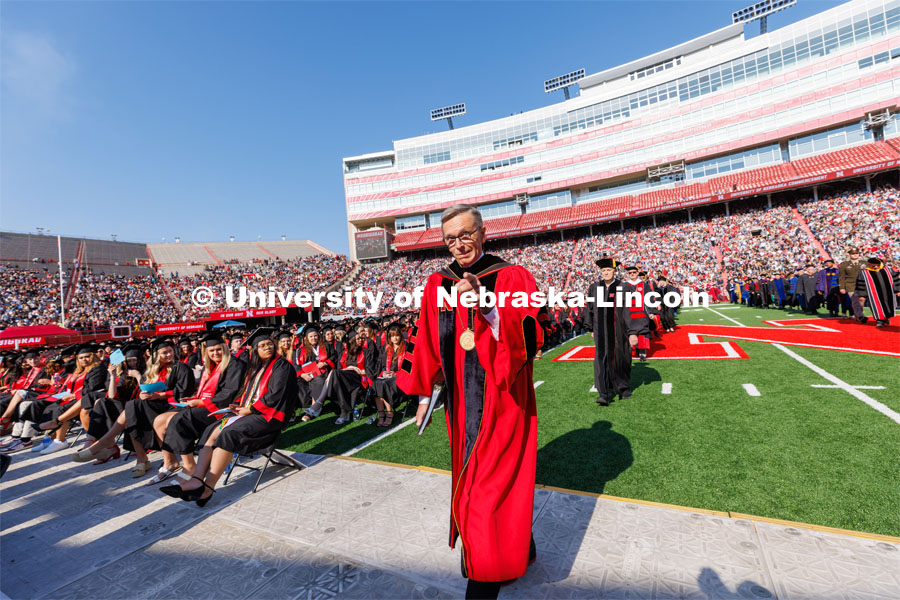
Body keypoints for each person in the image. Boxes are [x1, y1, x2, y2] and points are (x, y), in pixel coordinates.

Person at [397, 204, 542, 599]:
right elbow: (426, 338)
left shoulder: (511, 276)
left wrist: (488, 306)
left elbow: (531, 334)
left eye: (465, 235)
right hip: (461, 406)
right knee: (489, 485)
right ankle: (520, 548)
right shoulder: (436, 284)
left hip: (505, 399)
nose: (458, 244)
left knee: (485, 490)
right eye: (449, 239)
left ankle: (482, 583)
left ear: (482, 233)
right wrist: (424, 393)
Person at [159, 328, 298, 507]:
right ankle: (197, 478)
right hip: (249, 412)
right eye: (262, 345)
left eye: (269, 344)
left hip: (268, 417)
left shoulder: (282, 366)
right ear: (255, 350)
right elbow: (247, 393)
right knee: (210, 431)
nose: (267, 348)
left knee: (228, 434)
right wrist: (239, 405)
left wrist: (250, 409)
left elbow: (275, 395)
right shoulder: (255, 367)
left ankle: (207, 488)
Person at [72, 337, 195, 476]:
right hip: (154, 405)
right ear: (156, 355)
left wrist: (159, 396)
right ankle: (139, 458)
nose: (168, 355)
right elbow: (144, 389)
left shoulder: (181, 367)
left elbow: (185, 391)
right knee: (133, 408)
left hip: (172, 406)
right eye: (164, 352)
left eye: (170, 351)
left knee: (133, 407)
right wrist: (145, 394)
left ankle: (113, 446)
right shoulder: (152, 370)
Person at [157, 333, 245, 482]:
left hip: (224, 408)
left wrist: (200, 402)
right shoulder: (210, 366)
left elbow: (229, 394)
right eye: (211, 351)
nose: (215, 353)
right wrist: (194, 399)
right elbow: (206, 391)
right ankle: (171, 462)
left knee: (179, 420)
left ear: (224, 348)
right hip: (207, 404)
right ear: (206, 352)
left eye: (218, 349)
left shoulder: (235, 364)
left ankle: (189, 466)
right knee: (160, 420)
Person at [584, 257, 641, 406]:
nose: (606, 273)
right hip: (600, 329)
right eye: (603, 270)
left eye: (608, 270)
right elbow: (589, 308)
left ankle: (623, 387)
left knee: (621, 357)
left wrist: (633, 331)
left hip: (619, 330)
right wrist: (590, 327)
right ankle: (604, 392)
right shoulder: (594, 288)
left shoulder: (624, 287)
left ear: (614, 271)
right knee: (601, 359)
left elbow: (632, 309)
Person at [293, 324, 335, 418]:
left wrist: (325, 363)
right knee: (296, 384)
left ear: (319, 336)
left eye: (315, 336)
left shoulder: (327, 346)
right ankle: (293, 412)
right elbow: (296, 365)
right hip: (306, 375)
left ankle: (315, 409)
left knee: (318, 381)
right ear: (306, 338)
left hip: (324, 373)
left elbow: (334, 356)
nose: (313, 338)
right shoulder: (300, 350)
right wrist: (303, 375)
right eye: (311, 336)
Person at [373, 323, 407, 426]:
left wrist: (395, 373)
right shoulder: (387, 348)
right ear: (389, 337)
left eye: (397, 335)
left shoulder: (407, 347)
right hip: (388, 376)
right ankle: (381, 414)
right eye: (392, 336)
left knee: (384, 385)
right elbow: (383, 365)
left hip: (400, 377)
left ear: (401, 336)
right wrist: (384, 373)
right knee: (376, 383)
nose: (395, 338)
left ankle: (389, 415)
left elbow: (409, 367)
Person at [620, 265, 654, 361]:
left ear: (638, 273)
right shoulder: (624, 285)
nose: (632, 274)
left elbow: (650, 298)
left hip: (642, 311)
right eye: (630, 273)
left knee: (643, 331)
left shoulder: (644, 285)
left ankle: (642, 352)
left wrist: (651, 311)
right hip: (629, 312)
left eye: (634, 272)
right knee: (630, 330)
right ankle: (630, 349)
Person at [855, 257, 900, 327]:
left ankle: (885, 318)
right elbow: (861, 285)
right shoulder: (864, 273)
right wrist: (862, 295)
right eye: (873, 266)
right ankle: (879, 320)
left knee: (889, 306)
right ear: (869, 265)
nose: (876, 267)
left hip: (889, 293)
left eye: (878, 265)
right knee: (877, 306)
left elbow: (896, 280)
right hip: (874, 295)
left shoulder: (888, 270)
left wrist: (898, 290)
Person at [839, 248, 866, 321]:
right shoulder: (845, 264)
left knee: (862, 300)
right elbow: (841, 277)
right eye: (853, 254)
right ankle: (859, 316)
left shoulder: (864, 263)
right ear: (850, 255)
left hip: (863, 285)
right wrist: (842, 287)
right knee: (855, 301)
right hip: (850, 285)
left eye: (856, 253)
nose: (855, 255)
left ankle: (859, 313)